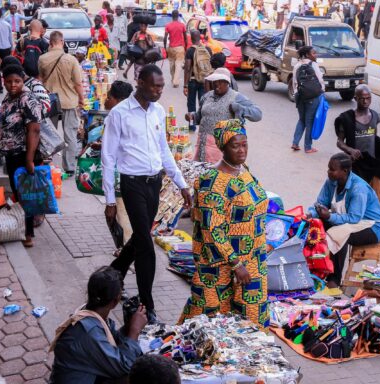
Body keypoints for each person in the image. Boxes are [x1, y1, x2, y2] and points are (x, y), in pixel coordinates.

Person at [102, 64, 192, 324]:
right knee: (145, 244)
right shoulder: (118, 114)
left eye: (162, 86)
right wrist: (110, 200)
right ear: (139, 82)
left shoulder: (158, 111)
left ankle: (113, 273)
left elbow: (164, 150)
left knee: (142, 237)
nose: (159, 91)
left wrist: (182, 184)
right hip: (132, 184)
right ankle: (147, 304)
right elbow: (108, 157)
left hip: (155, 185)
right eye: (155, 85)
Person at [179, 119, 269, 329]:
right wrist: (236, 264)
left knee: (251, 321)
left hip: (253, 260)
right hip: (221, 267)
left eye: (244, 144)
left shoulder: (243, 170)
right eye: (234, 145)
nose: (241, 150)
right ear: (222, 147)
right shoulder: (212, 182)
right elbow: (212, 230)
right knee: (209, 321)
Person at [49, 267, 146, 383]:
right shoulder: (88, 330)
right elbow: (123, 366)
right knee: (133, 375)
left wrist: (129, 326)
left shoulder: (91, 313)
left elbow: (111, 344)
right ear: (115, 301)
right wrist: (134, 331)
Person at [309, 152, 380, 288]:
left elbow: (354, 218)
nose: (328, 172)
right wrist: (311, 214)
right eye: (328, 168)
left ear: (344, 171)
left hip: (372, 226)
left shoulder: (358, 188)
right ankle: (316, 268)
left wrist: (329, 216)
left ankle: (334, 279)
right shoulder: (331, 182)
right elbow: (321, 202)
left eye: (332, 169)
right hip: (349, 221)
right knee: (314, 225)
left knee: (340, 235)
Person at [335, 84, 380, 230]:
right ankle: (353, 223)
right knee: (357, 198)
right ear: (355, 98)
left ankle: (372, 226)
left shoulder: (374, 117)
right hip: (356, 166)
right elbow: (339, 142)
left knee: (375, 198)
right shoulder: (347, 119)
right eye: (362, 98)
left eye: (368, 98)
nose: (365, 101)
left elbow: (373, 137)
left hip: (372, 164)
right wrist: (350, 150)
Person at [0, 64, 42, 248]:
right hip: (11, 154)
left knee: (25, 195)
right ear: (3, 82)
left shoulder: (27, 99)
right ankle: (25, 229)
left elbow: (34, 130)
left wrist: (29, 159)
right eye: (9, 81)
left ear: (23, 80)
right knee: (19, 193)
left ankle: (28, 234)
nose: (13, 84)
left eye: (17, 81)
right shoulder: (9, 97)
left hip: (23, 154)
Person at [186, 67, 261, 163]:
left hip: (221, 149)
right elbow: (200, 117)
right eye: (215, 81)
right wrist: (192, 116)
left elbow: (258, 114)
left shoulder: (236, 97)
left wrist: (239, 108)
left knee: (219, 176)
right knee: (202, 175)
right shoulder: (207, 96)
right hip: (202, 146)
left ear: (227, 83)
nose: (217, 84)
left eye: (221, 81)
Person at [39, 31, 84, 175]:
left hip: (50, 102)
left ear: (50, 43)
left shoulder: (42, 59)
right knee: (70, 135)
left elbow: (41, 79)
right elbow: (78, 83)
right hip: (69, 101)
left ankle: (49, 163)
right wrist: (81, 99)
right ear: (62, 42)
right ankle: (69, 167)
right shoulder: (71, 59)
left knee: (48, 134)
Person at [291, 46, 324, 153]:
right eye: (314, 53)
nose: (316, 55)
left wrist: (296, 94)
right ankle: (308, 147)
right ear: (308, 55)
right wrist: (322, 92)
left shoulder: (297, 65)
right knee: (309, 121)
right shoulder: (313, 65)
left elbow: (294, 82)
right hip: (312, 97)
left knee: (302, 119)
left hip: (299, 96)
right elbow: (320, 80)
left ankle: (295, 143)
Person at [184, 30, 212, 132]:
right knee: (203, 104)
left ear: (191, 38)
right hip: (204, 81)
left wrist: (185, 85)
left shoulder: (190, 51)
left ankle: (192, 126)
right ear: (200, 37)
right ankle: (204, 126)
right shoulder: (207, 49)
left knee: (191, 104)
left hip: (192, 81)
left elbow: (187, 69)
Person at [164, 10, 187, 88]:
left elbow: (165, 38)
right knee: (178, 65)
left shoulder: (168, 25)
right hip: (180, 48)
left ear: (172, 16)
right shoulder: (182, 25)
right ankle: (175, 82)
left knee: (172, 64)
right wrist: (186, 47)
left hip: (171, 48)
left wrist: (165, 48)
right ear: (178, 16)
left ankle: (173, 79)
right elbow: (185, 38)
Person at [114, 5, 128, 69]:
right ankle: (114, 64)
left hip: (123, 37)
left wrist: (126, 36)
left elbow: (126, 27)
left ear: (121, 10)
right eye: (116, 9)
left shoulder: (124, 18)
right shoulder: (114, 17)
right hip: (115, 37)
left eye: (118, 9)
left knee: (123, 52)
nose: (117, 10)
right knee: (116, 52)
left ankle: (120, 65)